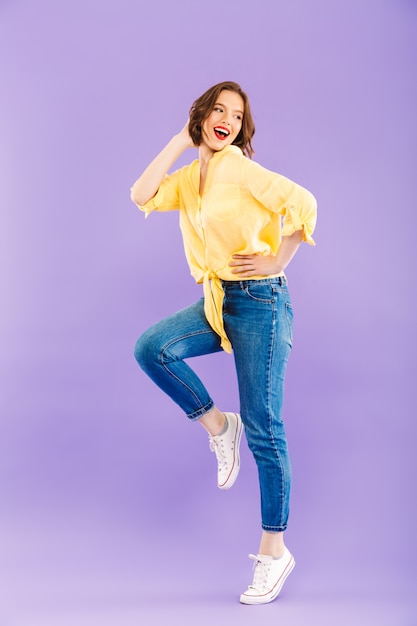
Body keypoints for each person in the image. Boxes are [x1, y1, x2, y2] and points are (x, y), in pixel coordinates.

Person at [130, 81, 317, 605]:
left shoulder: (238, 167)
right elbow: (141, 194)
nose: (227, 120)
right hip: (219, 303)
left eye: (236, 115)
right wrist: (178, 142)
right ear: (202, 116)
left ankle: (274, 550)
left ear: (241, 128)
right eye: (218, 110)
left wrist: (278, 259)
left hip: (260, 302)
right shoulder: (193, 176)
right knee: (153, 348)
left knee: (266, 427)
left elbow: (303, 203)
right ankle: (218, 425)